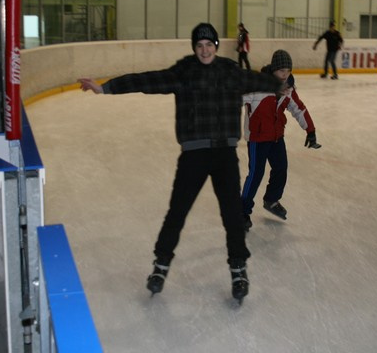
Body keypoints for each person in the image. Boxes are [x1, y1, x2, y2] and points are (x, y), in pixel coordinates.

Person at [78, 23, 284, 302]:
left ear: (215, 46)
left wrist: (278, 84)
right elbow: (147, 81)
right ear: (194, 48)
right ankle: (160, 265)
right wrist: (105, 88)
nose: (204, 50)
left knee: (233, 216)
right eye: (199, 45)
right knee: (177, 212)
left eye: (209, 45)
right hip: (193, 155)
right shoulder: (184, 73)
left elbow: (259, 81)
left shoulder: (230, 72)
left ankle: (238, 269)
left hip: (224, 155)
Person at [240, 50, 321, 232]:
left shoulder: (288, 89)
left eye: (288, 71)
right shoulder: (258, 87)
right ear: (273, 70)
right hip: (258, 138)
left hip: (276, 137)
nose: (285, 74)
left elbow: (298, 108)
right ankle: (242, 211)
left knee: (281, 168)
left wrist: (310, 130)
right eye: (281, 71)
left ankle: (271, 199)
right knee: (256, 174)